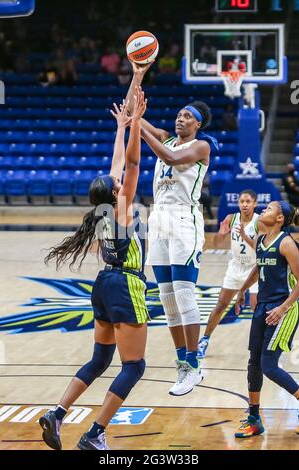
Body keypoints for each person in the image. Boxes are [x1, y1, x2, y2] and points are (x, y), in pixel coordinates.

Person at [39, 87, 149, 451]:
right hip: (124, 285)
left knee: (100, 358)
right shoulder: (122, 209)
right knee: (133, 366)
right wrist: (134, 126)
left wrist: (121, 127)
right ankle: (95, 433)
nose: (120, 180)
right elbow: (130, 165)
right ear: (116, 193)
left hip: (102, 286)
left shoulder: (102, 210)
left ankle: (57, 413)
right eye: (118, 184)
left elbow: (118, 167)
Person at [125, 61, 219, 396]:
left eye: (187, 117)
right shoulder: (165, 137)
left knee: (184, 295)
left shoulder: (201, 147)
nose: (181, 119)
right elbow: (130, 109)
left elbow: (169, 157)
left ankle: (194, 363)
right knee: (166, 299)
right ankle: (184, 365)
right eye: (179, 114)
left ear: (198, 124)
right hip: (159, 220)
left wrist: (138, 125)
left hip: (184, 222)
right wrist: (137, 76)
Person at [234, 201, 299, 438]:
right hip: (262, 307)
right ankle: (254, 418)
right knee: (254, 362)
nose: (263, 210)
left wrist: (283, 308)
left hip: (283, 309)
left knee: (268, 365)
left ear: (280, 218)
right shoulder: (261, 240)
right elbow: (258, 267)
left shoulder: (287, 243)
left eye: (269, 209)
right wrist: (242, 290)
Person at [198, 190, 264, 359]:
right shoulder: (231, 218)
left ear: (255, 203)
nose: (244, 204)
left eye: (248, 201)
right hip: (235, 267)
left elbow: (259, 248)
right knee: (221, 305)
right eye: (242, 201)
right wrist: (220, 234)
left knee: (256, 307)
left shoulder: (260, 222)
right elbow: (217, 243)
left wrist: (243, 234)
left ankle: (263, 343)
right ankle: (204, 340)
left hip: (253, 268)